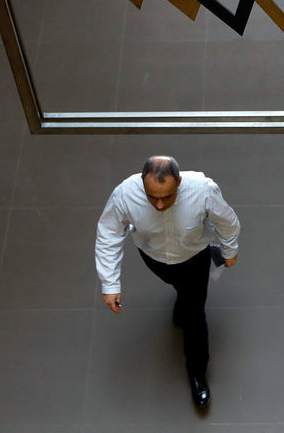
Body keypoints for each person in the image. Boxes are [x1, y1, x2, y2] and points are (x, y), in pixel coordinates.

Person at [94, 155, 240, 409]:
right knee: (182, 292)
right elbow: (109, 233)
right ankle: (183, 302)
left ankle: (197, 373)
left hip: (194, 258)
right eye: (152, 197)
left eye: (167, 197)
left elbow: (228, 222)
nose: (159, 205)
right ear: (142, 183)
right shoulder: (125, 194)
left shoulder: (203, 190)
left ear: (179, 182)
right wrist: (110, 284)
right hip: (155, 259)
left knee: (195, 316)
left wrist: (230, 251)